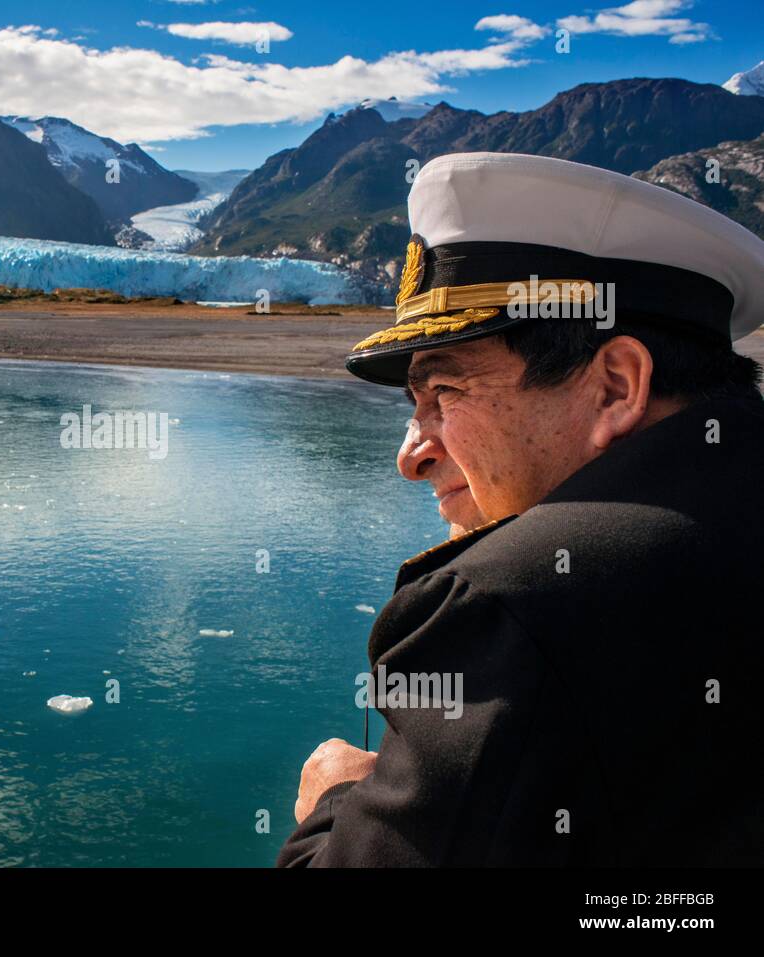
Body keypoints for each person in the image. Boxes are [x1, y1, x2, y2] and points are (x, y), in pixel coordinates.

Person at [279, 152, 764, 866]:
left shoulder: (511, 610)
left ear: (615, 387)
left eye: (444, 393)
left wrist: (334, 807)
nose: (410, 456)